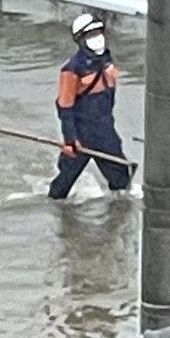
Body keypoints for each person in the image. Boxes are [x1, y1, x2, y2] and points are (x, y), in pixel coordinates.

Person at [48, 13, 131, 199]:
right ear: (80, 40)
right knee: (62, 186)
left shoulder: (107, 62)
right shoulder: (71, 70)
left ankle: (119, 217)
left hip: (105, 131)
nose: (97, 39)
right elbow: (65, 107)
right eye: (90, 35)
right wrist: (70, 139)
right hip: (81, 135)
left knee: (121, 181)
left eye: (98, 33)